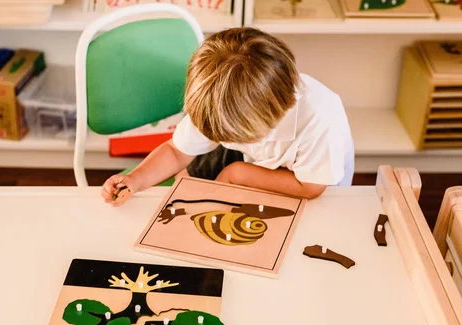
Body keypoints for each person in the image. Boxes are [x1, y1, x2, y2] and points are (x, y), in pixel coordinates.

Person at [101, 27, 354, 205]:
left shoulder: (320, 119)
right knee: (188, 182)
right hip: (257, 157)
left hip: (311, 182)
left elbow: (310, 188)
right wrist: (135, 179)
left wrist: (238, 174)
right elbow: (177, 152)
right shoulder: (221, 102)